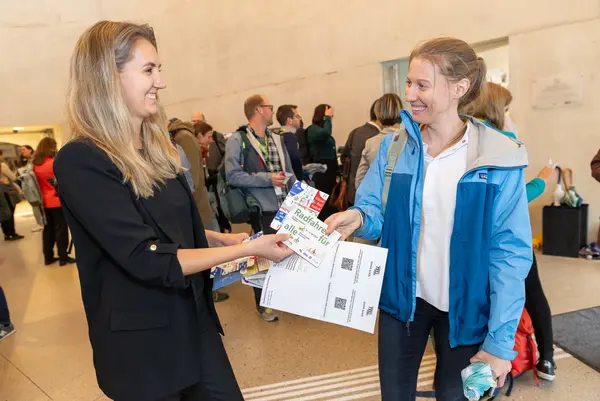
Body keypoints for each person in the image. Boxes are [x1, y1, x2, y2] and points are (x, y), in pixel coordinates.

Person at [56, 21, 292, 401]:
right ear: (106, 77)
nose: (160, 82)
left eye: (159, 69)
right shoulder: (82, 160)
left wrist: (223, 237)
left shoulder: (155, 149)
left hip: (193, 323)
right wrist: (246, 250)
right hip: (143, 350)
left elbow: (172, 229)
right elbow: (146, 255)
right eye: (148, 70)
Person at [325, 37, 532, 400]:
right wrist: (357, 217)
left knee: (453, 395)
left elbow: (510, 255)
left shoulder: (497, 157)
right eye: (408, 82)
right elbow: (375, 209)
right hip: (403, 302)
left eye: (422, 85)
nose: (410, 94)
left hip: (465, 309)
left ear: (459, 88)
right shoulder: (395, 148)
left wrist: (500, 343)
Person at [463, 81, 558, 381]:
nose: (509, 115)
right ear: (495, 110)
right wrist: (543, 180)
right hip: (509, 241)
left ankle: (482, 367)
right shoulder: (506, 145)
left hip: (474, 243)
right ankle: (547, 359)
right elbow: (515, 199)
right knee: (533, 296)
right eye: (506, 109)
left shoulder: (465, 143)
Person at [225, 94, 296, 322]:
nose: (273, 110)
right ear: (258, 109)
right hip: (261, 208)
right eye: (270, 107)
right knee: (263, 257)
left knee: (287, 253)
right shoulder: (238, 140)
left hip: (285, 206)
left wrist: (299, 198)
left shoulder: (277, 138)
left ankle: (286, 297)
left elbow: (290, 172)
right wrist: (267, 178)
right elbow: (233, 175)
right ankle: (264, 304)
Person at [32, 137, 76, 266]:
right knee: (61, 229)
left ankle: (48, 257)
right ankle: (63, 257)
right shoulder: (54, 163)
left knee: (48, 229)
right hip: (56, 200)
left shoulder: (35, 164)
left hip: (43, 201)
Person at [354, 94, 403, 190]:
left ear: (378, 116)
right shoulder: (413, 142)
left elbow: (359, 181)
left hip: (377, 200)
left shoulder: (371, 143)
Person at [341, 100, 382, 205]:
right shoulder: (380, 138)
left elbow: (343, 157)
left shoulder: (355, 131)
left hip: (353, 191)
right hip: (372, 196)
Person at [306, 104, 338, 220]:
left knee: (329, 200)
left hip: (329, 171)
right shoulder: (312, 129)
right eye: (330, 115)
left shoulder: (321, 129)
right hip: (321, 171)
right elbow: (325, 134)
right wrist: (328, 118)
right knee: (321, 202)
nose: (331, 117)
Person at [0, 150, 25, 241]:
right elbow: (13, 177)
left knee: (3, 212)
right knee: (10, 212)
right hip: (5, 191)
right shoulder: (2, 165)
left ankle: (6, 234)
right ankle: (12, 233)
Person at [275, 104, 304, 180]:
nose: (300, 118)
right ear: (289, 120)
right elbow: (294, 159)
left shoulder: (280, 135)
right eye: (297, 116)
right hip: (294, 183)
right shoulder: (289, 137)